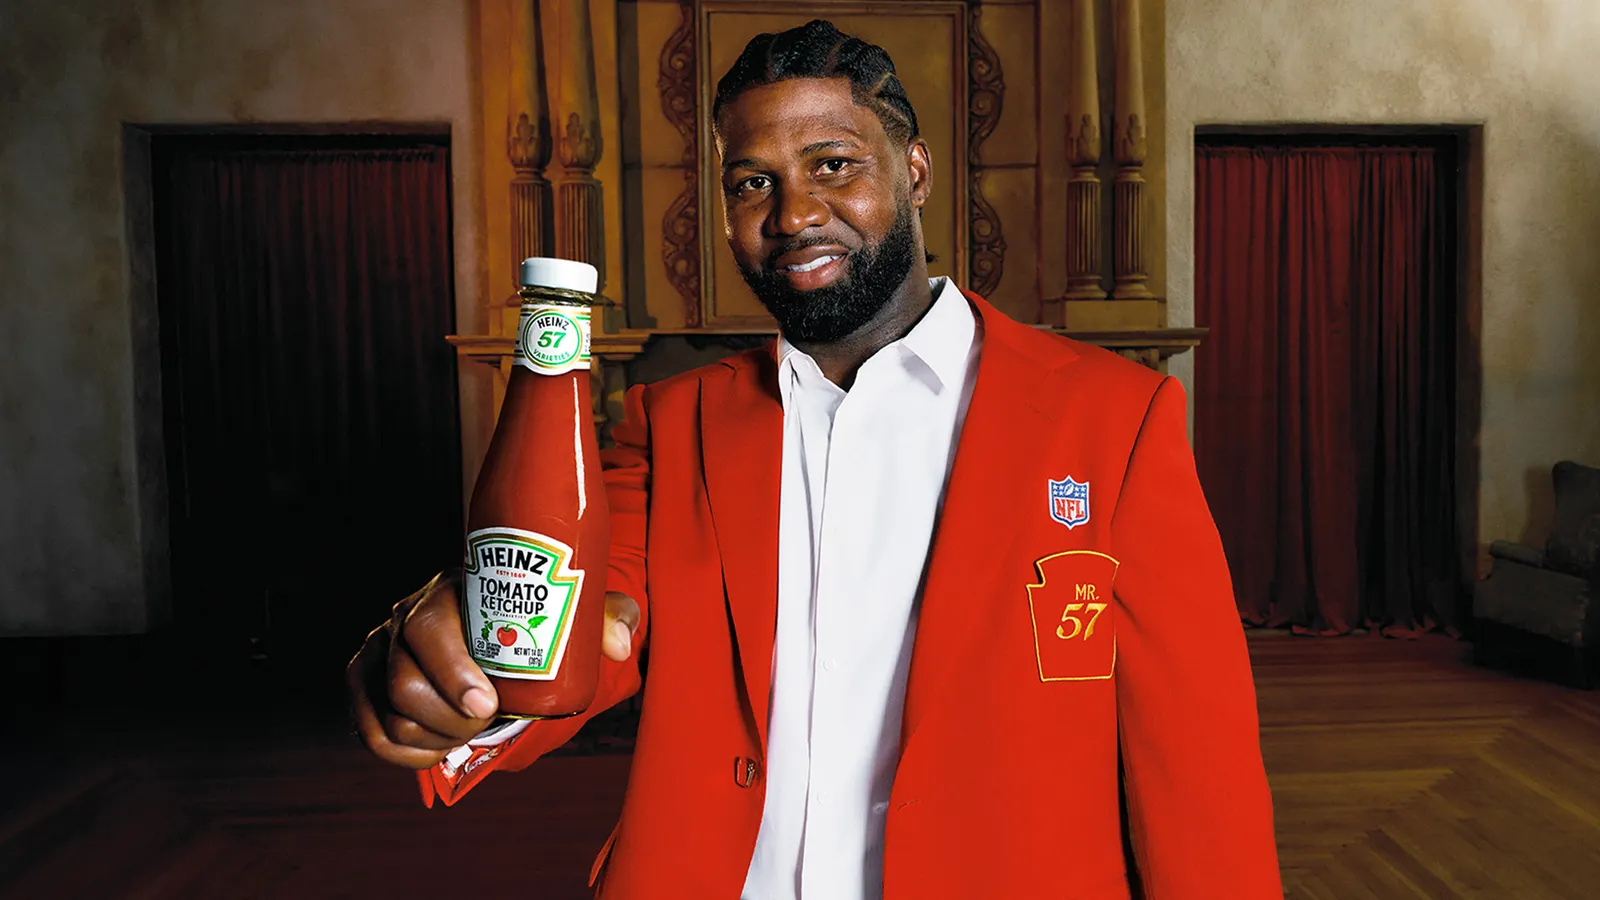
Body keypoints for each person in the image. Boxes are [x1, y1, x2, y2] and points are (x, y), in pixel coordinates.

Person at [347, 19, 1280, 900]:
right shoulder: (671, 425)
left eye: (833, 164)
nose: (793, 213)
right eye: (752, 183)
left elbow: (1196, 758)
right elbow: (590, 618)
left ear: (915, 171)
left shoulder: (1116, 418)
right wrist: (450, 677)